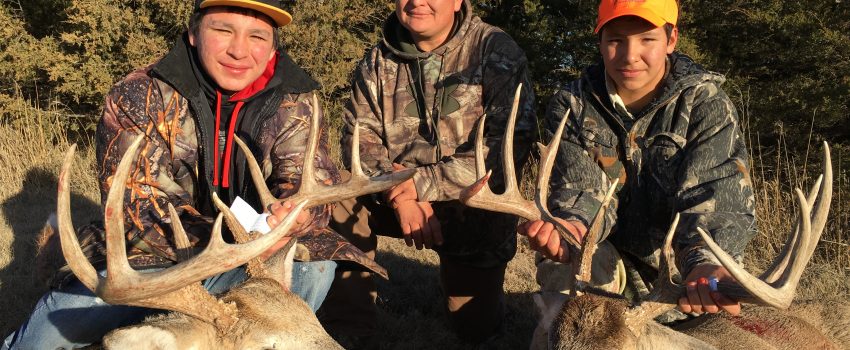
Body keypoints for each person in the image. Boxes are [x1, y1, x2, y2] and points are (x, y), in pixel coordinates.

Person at [2, 1, 382, 348]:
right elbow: (141, 210)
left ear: (272, 45)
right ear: (193, 32)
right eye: (223, 30)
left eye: (257, 36)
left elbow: (308, 182)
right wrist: (236, 241)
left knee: (313, 270)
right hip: (153, 258)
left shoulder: (297, 100)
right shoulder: (140, 94)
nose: (239, 49)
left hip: (253, 261)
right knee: (39, 342)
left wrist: (295, 214)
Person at [520, 0, 756, 345]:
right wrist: (573, 224)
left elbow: (713, 195)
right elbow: (582, 191)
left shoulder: (705, 104)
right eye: (615, 40)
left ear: (671, 39)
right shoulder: (573, 104)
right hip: (602, 269)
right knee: (564, 262)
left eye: (647, 39)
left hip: (679, 281)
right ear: (599, 41)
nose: (630, 56)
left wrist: (705, 264)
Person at [320, 0, 537, 344]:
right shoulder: (377, 61)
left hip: (471, 213)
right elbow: (358, 141)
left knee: (475, 330)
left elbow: (510, 145)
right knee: (337, 195)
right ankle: (350, 327)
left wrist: (419, 184)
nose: (417, 1)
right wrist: (398, 193)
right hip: (395, 202)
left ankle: (468, 290)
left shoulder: (496, 51)